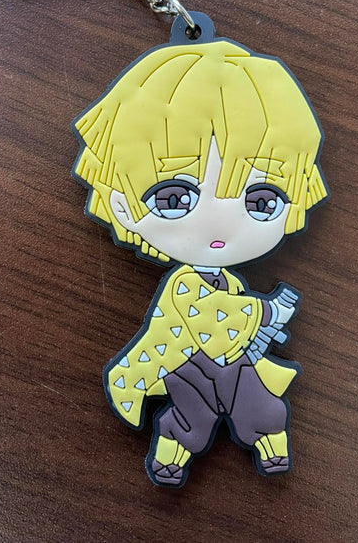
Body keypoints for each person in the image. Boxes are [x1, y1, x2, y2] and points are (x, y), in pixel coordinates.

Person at [72, 35, 328, 487]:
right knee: (191, 420)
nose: (220, 222)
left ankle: (273, 448)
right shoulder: (184, 284)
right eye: (174, 197)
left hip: (236, 366)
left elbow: (231, 316)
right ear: (122, 204)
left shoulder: (229, 281)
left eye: (262, 200)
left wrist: (261, 319)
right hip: (188, 366)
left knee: (263, 408)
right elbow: (211, 316)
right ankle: (169, 459)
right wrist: (265, 311)